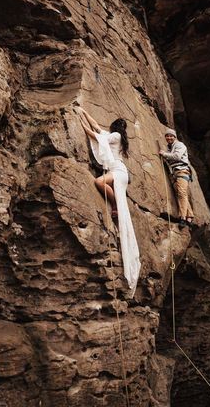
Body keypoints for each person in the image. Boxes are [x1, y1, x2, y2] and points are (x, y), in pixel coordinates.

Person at [77, 107, 140, 296]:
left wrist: (82, 125)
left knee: (98, 181)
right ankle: (115, 205)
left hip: (119, 172)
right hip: (118, 171)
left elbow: (97, 136)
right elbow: (97, 126)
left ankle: (114, 205)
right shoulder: (115, 137)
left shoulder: (116, 137)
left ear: (115, 127)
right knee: (103, 184)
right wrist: (83, 112)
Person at [159, 128, 194, 228]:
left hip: (182, 171)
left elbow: (177, 156)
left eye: (171, 136)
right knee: (181, 194)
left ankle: (182, 218)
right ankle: (190, 216)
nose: (169, 137)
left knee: (182, 193)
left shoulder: (179, 145)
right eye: (167, 136)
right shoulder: (170, 148)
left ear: (175, 137)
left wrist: (164, 154)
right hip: (174, 173)